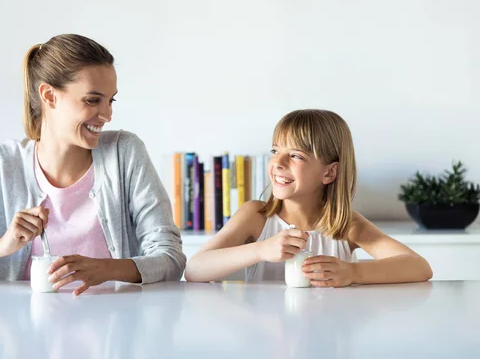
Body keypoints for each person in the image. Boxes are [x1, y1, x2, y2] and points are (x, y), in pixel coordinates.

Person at [0, 33, 185, 295]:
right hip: (25, 334)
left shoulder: (124, 153)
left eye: (110, 100)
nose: (107, 115)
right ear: (49, 95)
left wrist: (107, 269)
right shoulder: (1, 163)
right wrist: (0, 247)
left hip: (113, 333)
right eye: (93, 100)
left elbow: (170, 258)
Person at [184, 109, 432, 286]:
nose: (278, 163)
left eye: (296, 156)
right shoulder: (257, 216)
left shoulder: (344, 226)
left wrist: (352, 273)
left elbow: (419, 266)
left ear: (329, 172)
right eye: (275, 150)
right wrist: (261, 250)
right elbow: (195, 269)